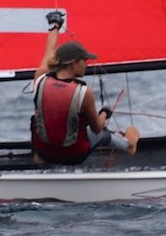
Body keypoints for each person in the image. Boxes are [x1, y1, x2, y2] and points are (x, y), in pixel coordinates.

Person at [31, 11, 138, 165]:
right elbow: (97, 129)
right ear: (73, 63)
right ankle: (130, 146)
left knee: (35, 120)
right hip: (73, 155)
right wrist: (104, 113)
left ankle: (38, 157)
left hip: (44, 151)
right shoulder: (83, 93)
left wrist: (55, 26)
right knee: (110, 134)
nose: (86, 64)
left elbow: (50, 49)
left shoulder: (40, 78)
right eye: (84, 61)